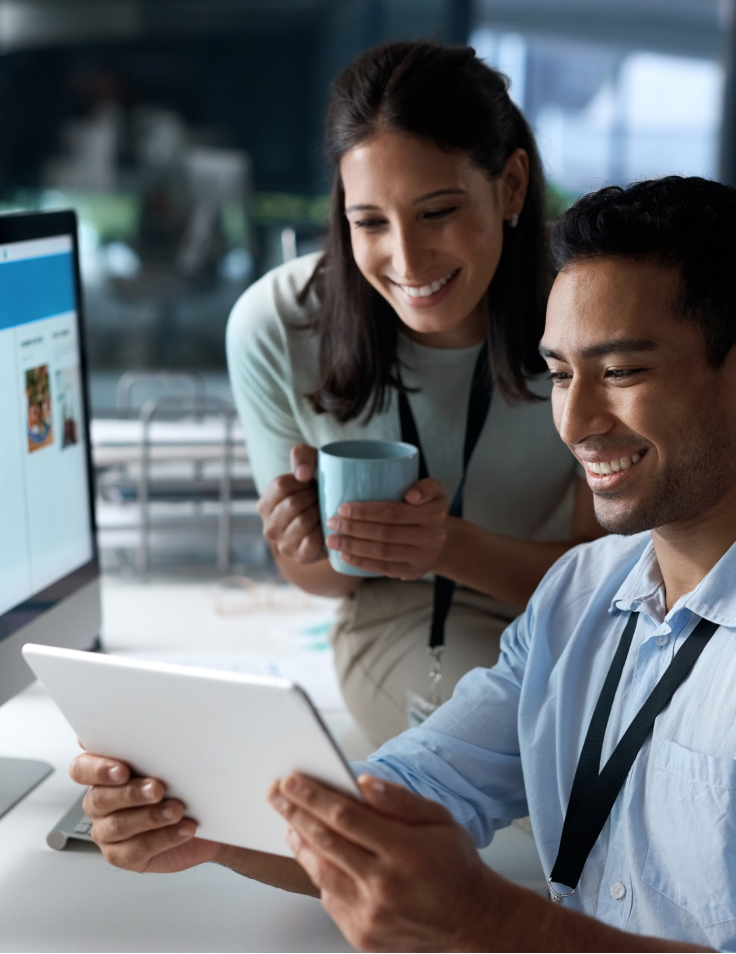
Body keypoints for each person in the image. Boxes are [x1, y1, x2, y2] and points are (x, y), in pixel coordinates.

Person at [73, 176, 736, 952]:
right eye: (561, 374)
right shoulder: (582, 592)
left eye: (620, 373)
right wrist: (202, 824)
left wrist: (488, 921)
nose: (575, 423)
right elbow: (407, 797)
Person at [227, 42, 602, 744]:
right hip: (397, 619)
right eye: (369, 221)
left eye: (437, 212)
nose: (406, 259)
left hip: (570, 611)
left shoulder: (589, 314)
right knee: (545, 762)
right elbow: (324, 583)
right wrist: (309, 540)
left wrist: (445, 545)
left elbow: (612, 589)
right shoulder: (276, 325)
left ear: (512, 185)